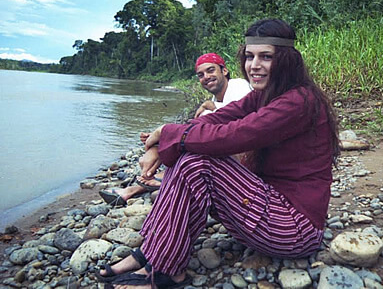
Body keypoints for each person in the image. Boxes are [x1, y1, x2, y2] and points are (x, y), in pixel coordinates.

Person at [96, 19, 341, 288]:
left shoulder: (298, 102)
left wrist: (167, 133)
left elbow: (233, 135)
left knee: (197, 162)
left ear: (286, 60)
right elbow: (218, 119)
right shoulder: (265, 95)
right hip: (269, 210)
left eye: (266, 57)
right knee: (192, 150)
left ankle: (166, 269)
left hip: (294, 230)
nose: (254, 65)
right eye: (249, 56)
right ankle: (151, 251)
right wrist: (161, 142)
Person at [98, 53, 252, 206]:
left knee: (192, 144)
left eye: (211, 70)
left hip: (248, 158)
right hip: (231, 155)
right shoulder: (216, 98)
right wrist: (161, 138)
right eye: (201, 74)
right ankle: (140, 187)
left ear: (224, 71)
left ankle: (146, 184)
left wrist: (206, 106)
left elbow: (235, 118)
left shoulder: (238, 85)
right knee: (184, 140)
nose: (206, 77)